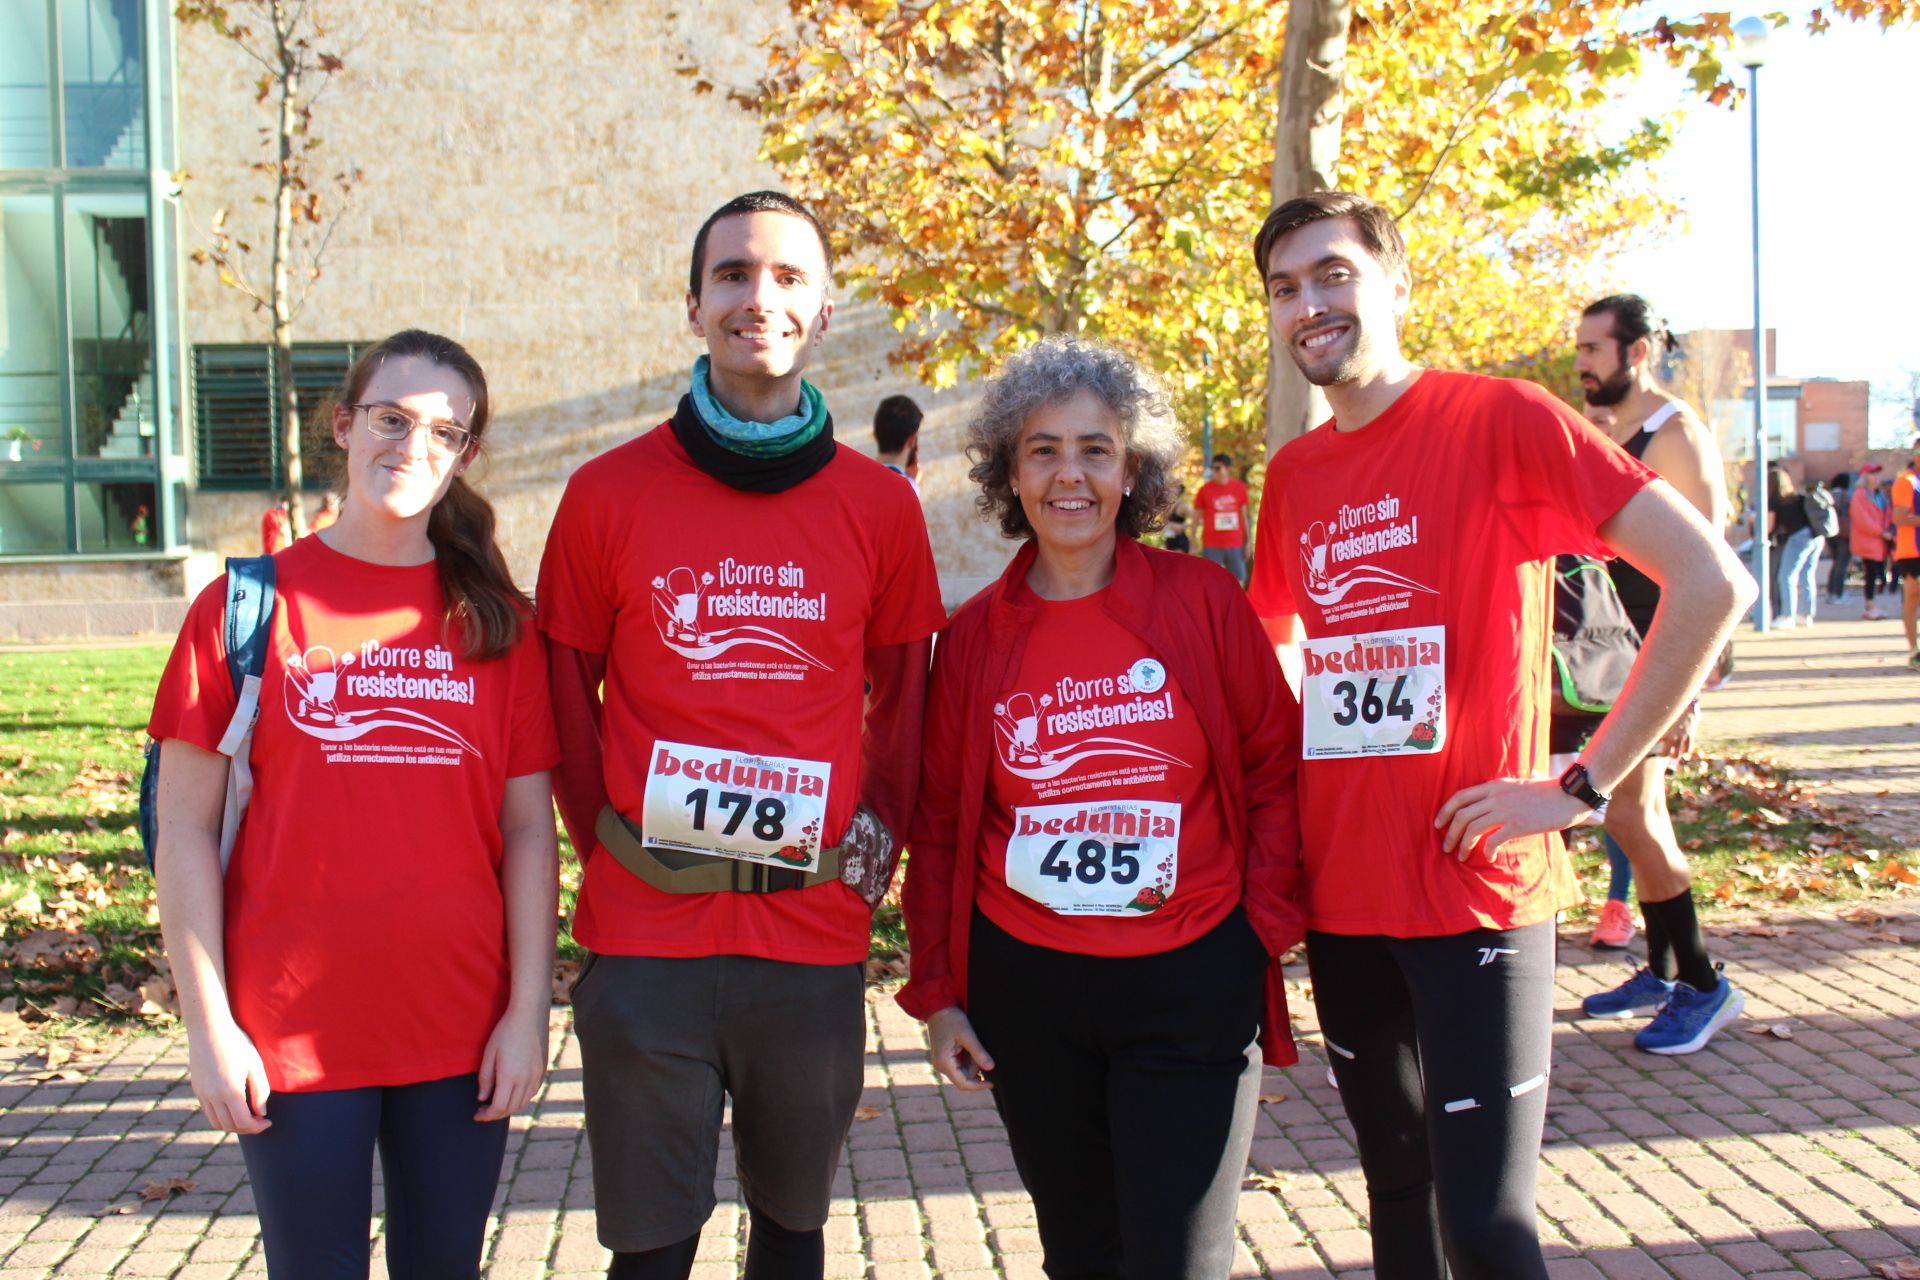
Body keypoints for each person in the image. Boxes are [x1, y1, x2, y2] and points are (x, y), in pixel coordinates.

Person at [1246, 193, 1753, 1280]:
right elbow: (1279, 648)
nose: (1309, 304)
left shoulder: (1501, 419)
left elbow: (1713, 580)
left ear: (1395, 283)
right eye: (1286, 287)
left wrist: (1584, 780)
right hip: (1344, 896)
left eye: (1332, 273)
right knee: (1398, 1210)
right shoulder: (1293, 474)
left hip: (1475, 886)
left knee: (1485, 1229)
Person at [537, 191, 945, 1280]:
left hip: (809, 944)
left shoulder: (879, 507)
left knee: (793, 1235)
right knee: (650, 1249)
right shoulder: (603, 494)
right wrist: (613, 845)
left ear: (821, 312)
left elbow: (905, 711)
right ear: (693, 303)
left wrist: (866, 868)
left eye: (787, 277)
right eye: (732, 275)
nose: (757, 297)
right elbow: (560, 698)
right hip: (644, 940)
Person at [150, 330, 560, 1278]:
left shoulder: (498, 622)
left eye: (445, 432)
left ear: (464, 455)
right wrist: (208, 1026)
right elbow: (183, 830)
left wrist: (527, 1011)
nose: (413, 447)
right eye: (391, 419)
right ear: (343, 425)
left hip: (460, 1023)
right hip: (290, 1026)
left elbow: (529, 832)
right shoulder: (244, 606)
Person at [899, 335, 1303, 1279]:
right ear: (1011, 472)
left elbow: (1278, 770)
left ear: (1133, 471)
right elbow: (943, 826)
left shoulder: (1201, 599)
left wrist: (1257, 933)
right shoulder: (969, 643)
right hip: (1029, 993)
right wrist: (940, 993)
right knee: (1080, 1258)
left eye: (1096, 449)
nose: (1068, 475)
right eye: (1043, 449)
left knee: (1178, 1262)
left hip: (1191, 978)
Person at [1574, 295, 1746, 986]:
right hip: (1608, 653)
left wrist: (1691, 693)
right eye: (1580, 348)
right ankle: (1665, 968)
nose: (1580, 362)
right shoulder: (1605, 426)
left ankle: (1701, 983)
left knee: (1632, 814)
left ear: (1637, 352)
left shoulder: (1676, 434)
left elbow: (1717, 569)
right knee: (1629, 817)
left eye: (1594, 349)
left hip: (1662, 652)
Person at [1767, 465, 1821, 625]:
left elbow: (1768, 527)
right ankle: (1806, 615)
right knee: (1806, 575)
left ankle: (1787, 615)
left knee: (1785, 576)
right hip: (1815, 537)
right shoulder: (1797, 496)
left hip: (1798, 537)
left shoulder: (1774, 500)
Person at [1194, 452, 1252, 585]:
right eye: (1212, 468)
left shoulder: (1240, 488)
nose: (1214, 471)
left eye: (1218, 468)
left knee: (1239, 582)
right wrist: (1192, 542)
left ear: (1228, 469)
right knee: (1211, 582)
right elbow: (1196, 518)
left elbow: (1244, 516)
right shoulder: (1204, 490)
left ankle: (1238, 606)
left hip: (1235, 543)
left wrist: (1248, 541)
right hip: (1211, 544)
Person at [1893, 440, 1920, 669]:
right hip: (1913, 551)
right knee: (1913, 599)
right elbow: (1900, 518)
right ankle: (1914, 651)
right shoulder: (1907, 482)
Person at [1852, 466, 1890, 621]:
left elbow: (1887, 514)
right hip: (1869, 540)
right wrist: (1880, 532)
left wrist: (1888, 531)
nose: (1876, 476)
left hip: (1881, 540)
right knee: (1871, 573)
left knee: (1881, 573)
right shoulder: (1860, 496)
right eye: (1873, 473)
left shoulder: (1880, 495)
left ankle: (1874, 604)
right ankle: (1870, 605)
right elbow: (1862, 519)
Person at [872, 393, 923, 492]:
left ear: (875, 435)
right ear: (912, 440)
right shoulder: (908, 490)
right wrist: (912, 483)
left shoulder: (857, 477)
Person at [1825, 472, 1853, 604]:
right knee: (1842, 564)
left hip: (1830, 532)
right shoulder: (1847, 495)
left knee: (1836, 563)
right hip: (1844, 533)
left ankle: (1831, 592)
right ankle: (1838, 593)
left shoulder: (1828, 494)